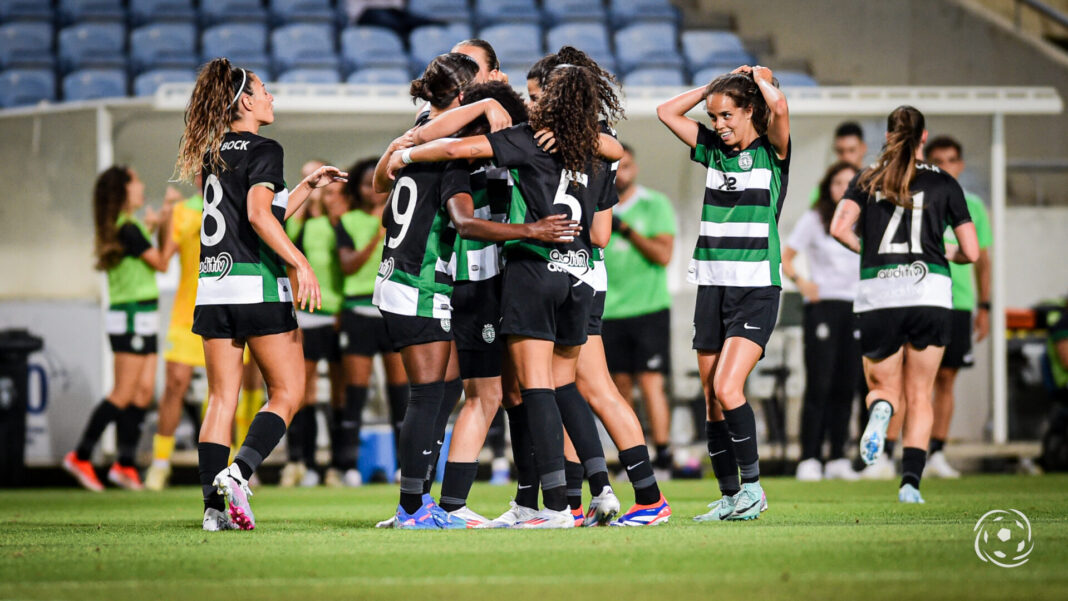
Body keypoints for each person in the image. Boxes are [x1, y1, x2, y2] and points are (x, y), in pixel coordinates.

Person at [387, 64, 625, 528]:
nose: (532, 104)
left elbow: (454, 153)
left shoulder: (517, 142)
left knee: (505, 393)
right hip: (569, 274)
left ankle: (530, 503)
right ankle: (582, 492)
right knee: (541, 389)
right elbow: (611, 162)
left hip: (515, 274)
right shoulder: (587, 146)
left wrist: (405, 153)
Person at [174, 58, 347, 531]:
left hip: (214, 285)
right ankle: (241, 472)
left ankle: (213, 510)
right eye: (265, 89)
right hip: (257, 284)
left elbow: (263, 212)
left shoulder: (211, 153)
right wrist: (301, 262)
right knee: (288, 392)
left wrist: (308, 187)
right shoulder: (265, 147)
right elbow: (256, 216)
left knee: (220, 399)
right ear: (246, 101)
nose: (272, 97)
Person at [657, 65, 790, 521]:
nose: (719, 125)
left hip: (756, 287)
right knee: (712, 397)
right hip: (712, 283)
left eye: (728, 115)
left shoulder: (773, 153)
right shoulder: (712, 150)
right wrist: (713, 89)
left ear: (750, 110)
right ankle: (732, 496)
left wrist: (757, 75)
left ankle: (754, 489)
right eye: (714, 117)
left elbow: (780, 106)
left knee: (728, 386)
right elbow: (665, 111)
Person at [830, 105, 978, 504]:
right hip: (928, 291)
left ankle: (880, 412)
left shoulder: (867, 178)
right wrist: (943, 252)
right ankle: (910, 484)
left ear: (887, 137)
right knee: (920, 394)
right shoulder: (945, 182)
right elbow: (972, 251)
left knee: (884, 389)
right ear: (924, 139)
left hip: (880, 294)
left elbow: (838, 227)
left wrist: (870, 251)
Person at [64, 166, 171, 492]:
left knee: (142, 392)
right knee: (123, 393)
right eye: (135, 180)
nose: (141, 186)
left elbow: (148, 259)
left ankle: (125, 463)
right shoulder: (129, 229)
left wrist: (156, 225)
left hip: (143, 315)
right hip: (130, 316)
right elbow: (164, 262)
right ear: (123, 191)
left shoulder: (132, 227)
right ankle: (80, 455)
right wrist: (169, 223)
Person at [600, 143, 678, 480]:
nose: (622, 173)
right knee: (619, 388)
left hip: (648, 308)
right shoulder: (598, 206)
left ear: (636, 167)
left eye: (627, 166)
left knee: (651, 383)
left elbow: (663, 255)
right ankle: (634, 457)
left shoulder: (654, 204)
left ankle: (663, 456)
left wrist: (628, 231)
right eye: (616, 167)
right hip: (609, 310)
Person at [782, 161, 862, 482]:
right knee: (820, 383)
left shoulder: (866, 221)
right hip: (823, 306)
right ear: (828, 187)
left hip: (856, 307)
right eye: (837, 182)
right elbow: (785, 256)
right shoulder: (815, 219)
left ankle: (839, 455)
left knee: (847, 384)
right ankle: (810, 456)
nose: (843, 188)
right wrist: (802, 283)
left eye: (849, 182)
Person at [923, 136, 994, 478]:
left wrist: (985, 306)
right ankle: (905, 450)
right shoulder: (919, 199)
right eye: (938, 160)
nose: (945, 166)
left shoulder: (974, 206)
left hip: (960, 301)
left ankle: (936, 451)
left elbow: (983, 260)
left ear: (960, 165)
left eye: (951, 160)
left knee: (946, 379)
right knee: (917, 379)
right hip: (924, 297)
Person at [335, 158, 410, 485]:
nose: (372, 189)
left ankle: (405, 467)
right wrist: (377, 236)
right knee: (356, 393)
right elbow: (348, 266)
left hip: (392, 309)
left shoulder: (403, 218)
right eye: (365, 183)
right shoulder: (347, 221)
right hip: (358, 311)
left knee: (400, 393)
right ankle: (348, 465)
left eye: (376, 182)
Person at [280, 175, 349, 488]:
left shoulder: (340, 227)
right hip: (308, 316)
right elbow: (290, 266)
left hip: (336, 316)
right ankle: (304, 462)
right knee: (304, 393)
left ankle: (338, 465)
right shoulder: (299, 227)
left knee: (340, 394)